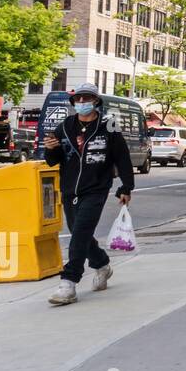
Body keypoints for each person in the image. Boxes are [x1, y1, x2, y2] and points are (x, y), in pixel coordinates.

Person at [42, 82, 134, 306]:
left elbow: (122, 157)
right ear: (74, 102)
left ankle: (69, 282)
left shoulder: (108, 126)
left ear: (96, 102)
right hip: (70, 189)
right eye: (79, 99)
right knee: (79, 234)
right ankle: (102, 264)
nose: (82, 103)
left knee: (80, 232)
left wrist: (126, 187)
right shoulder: (64, 127)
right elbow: (52, 160)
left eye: (87, 99)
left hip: (96, 188)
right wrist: (50, 148)